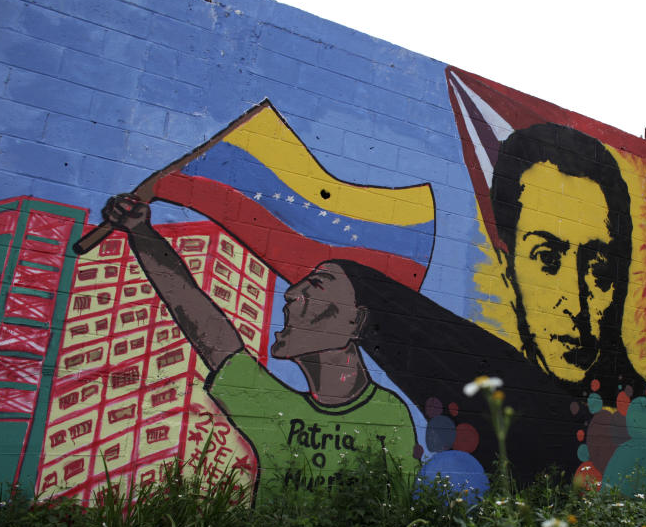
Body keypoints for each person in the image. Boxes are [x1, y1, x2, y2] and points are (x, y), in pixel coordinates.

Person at [101, 194, 420, 504]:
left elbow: (396, 515)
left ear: (356, 321)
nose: (291, 294)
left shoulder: (389, 417)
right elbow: (199, 317)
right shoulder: (274, 407)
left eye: (317, 286)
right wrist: (142, 233)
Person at [489, 123, 646, 402]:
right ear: (506, 269)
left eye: (599, 269)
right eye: (548, 259)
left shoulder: (634, 410)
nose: (577, 307)